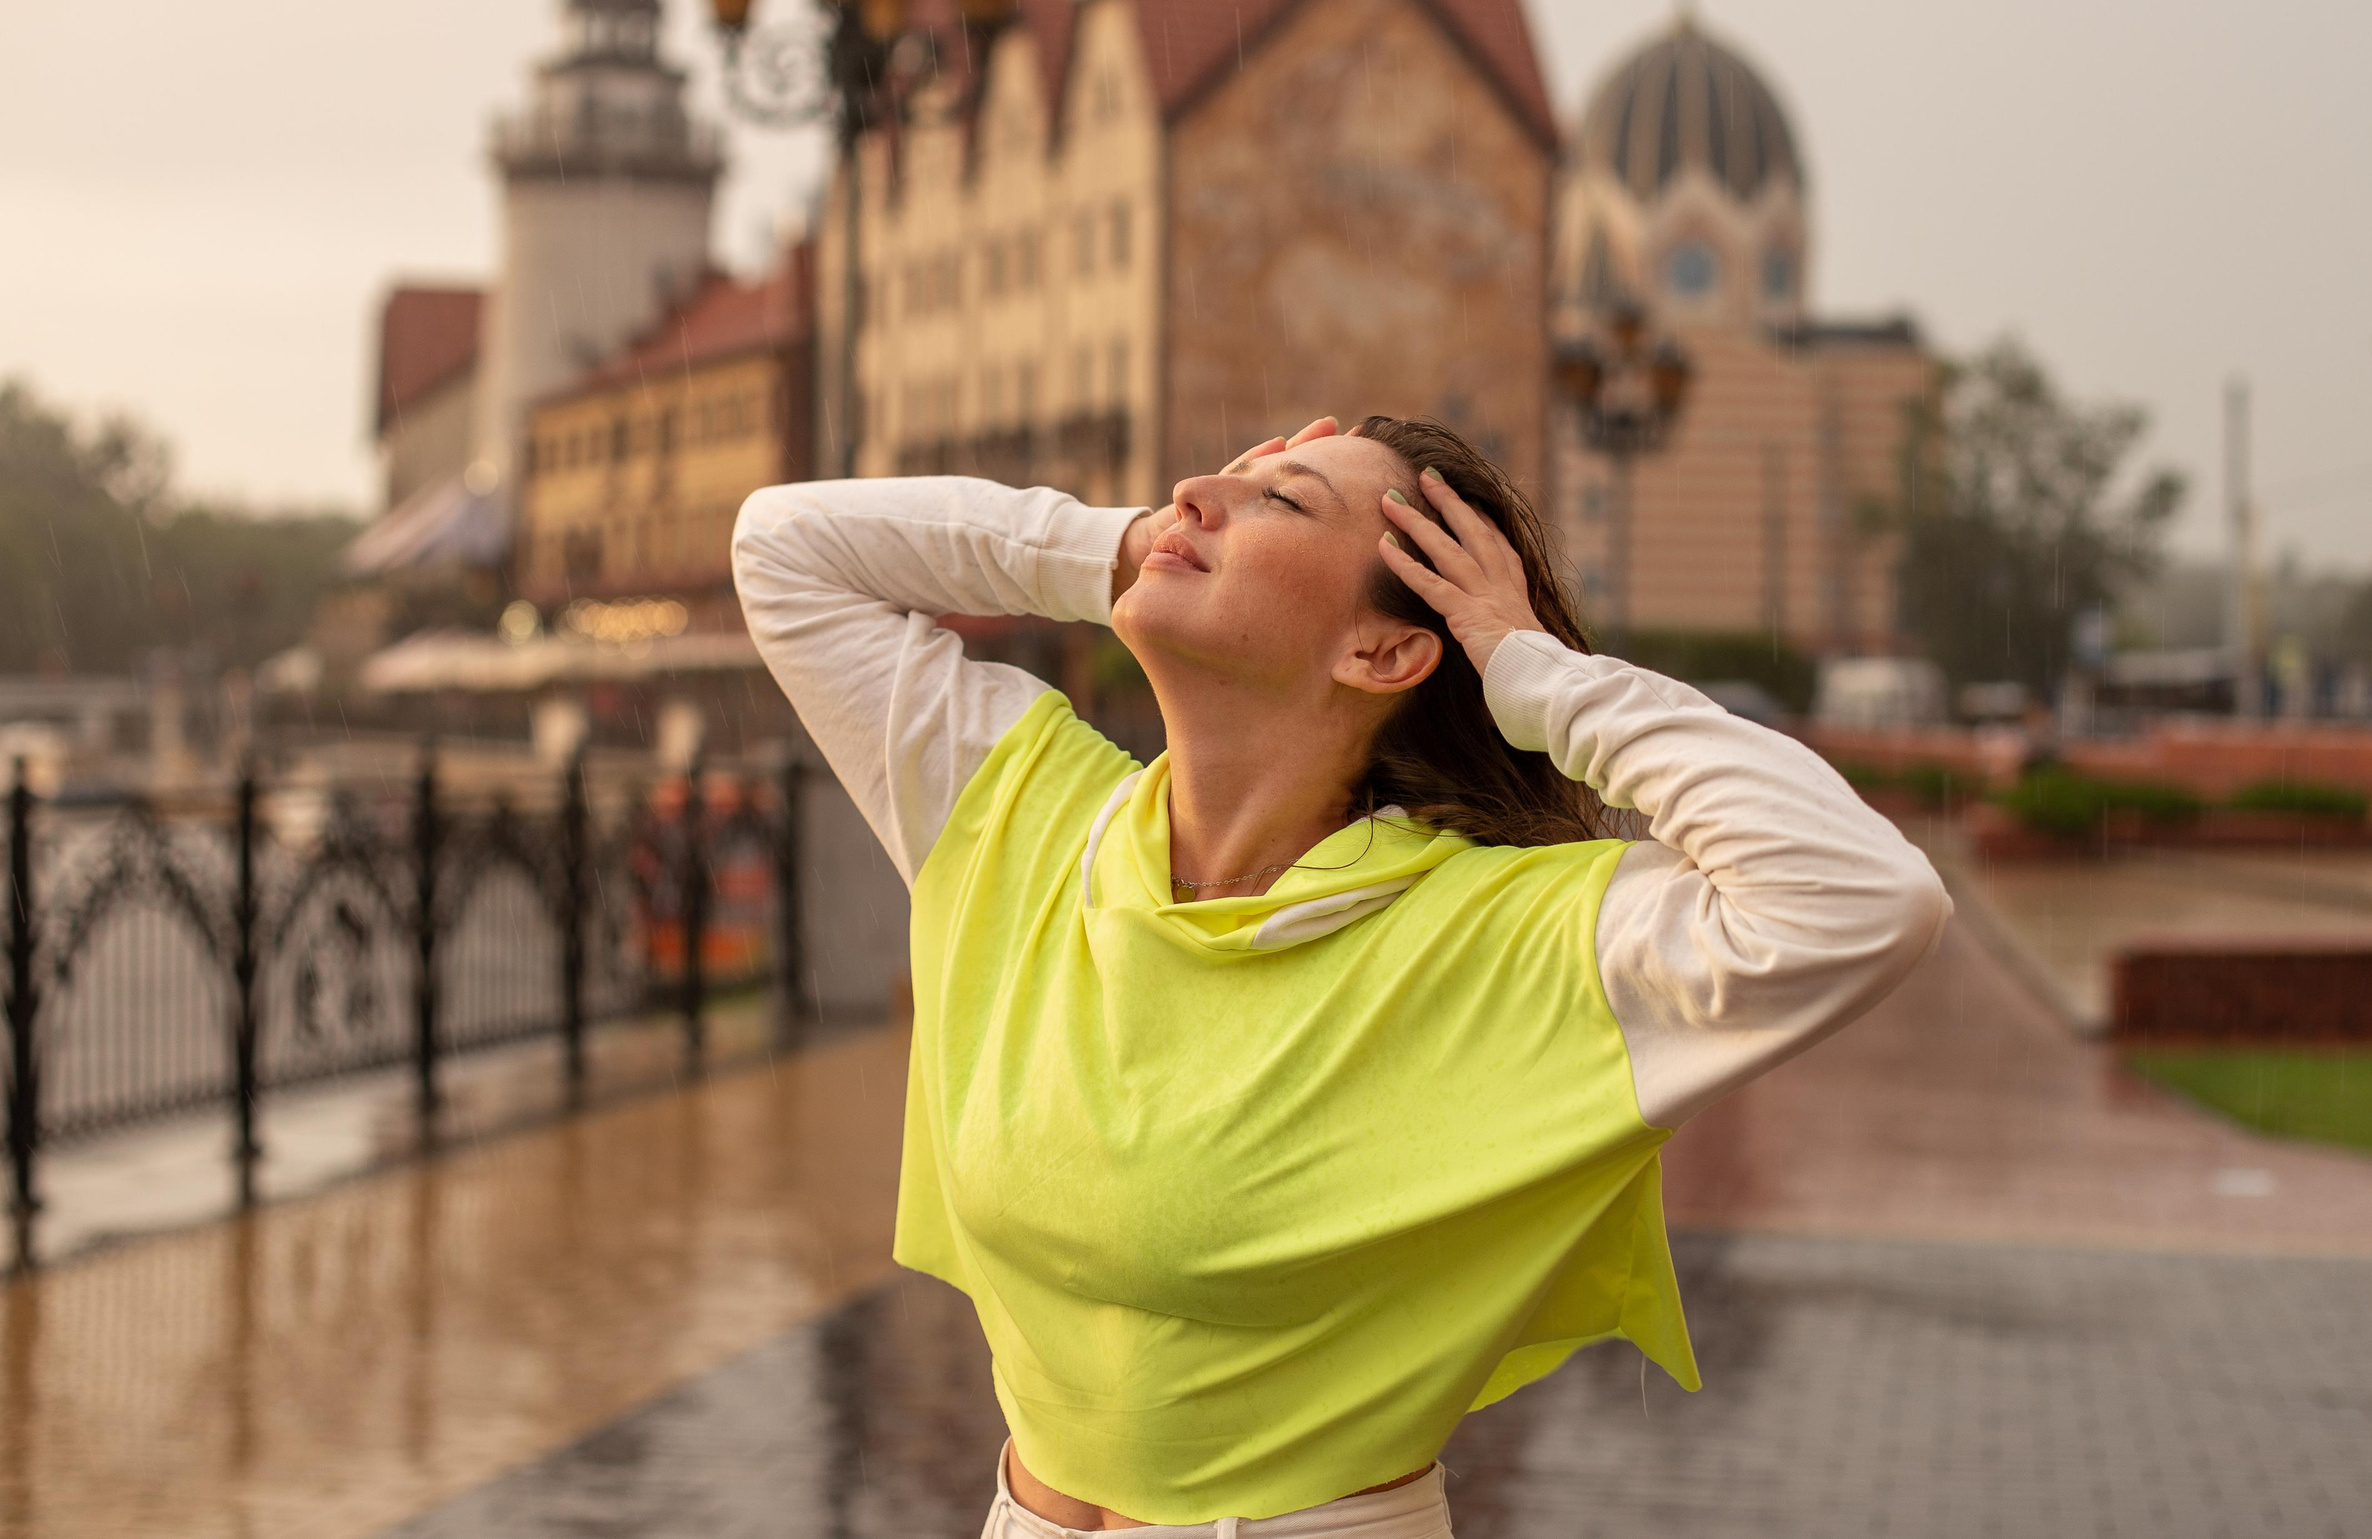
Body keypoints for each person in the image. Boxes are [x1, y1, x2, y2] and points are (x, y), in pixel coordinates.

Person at [734, 415, 1948, 1535]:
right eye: (1224, 477)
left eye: (1283, 501)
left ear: (1383, 650)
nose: (1193, 492)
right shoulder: (1022, 816)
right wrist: (1121, 547)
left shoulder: (1505, 938)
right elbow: (785, 547)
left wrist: (1534, 671)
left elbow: (1862, 898)